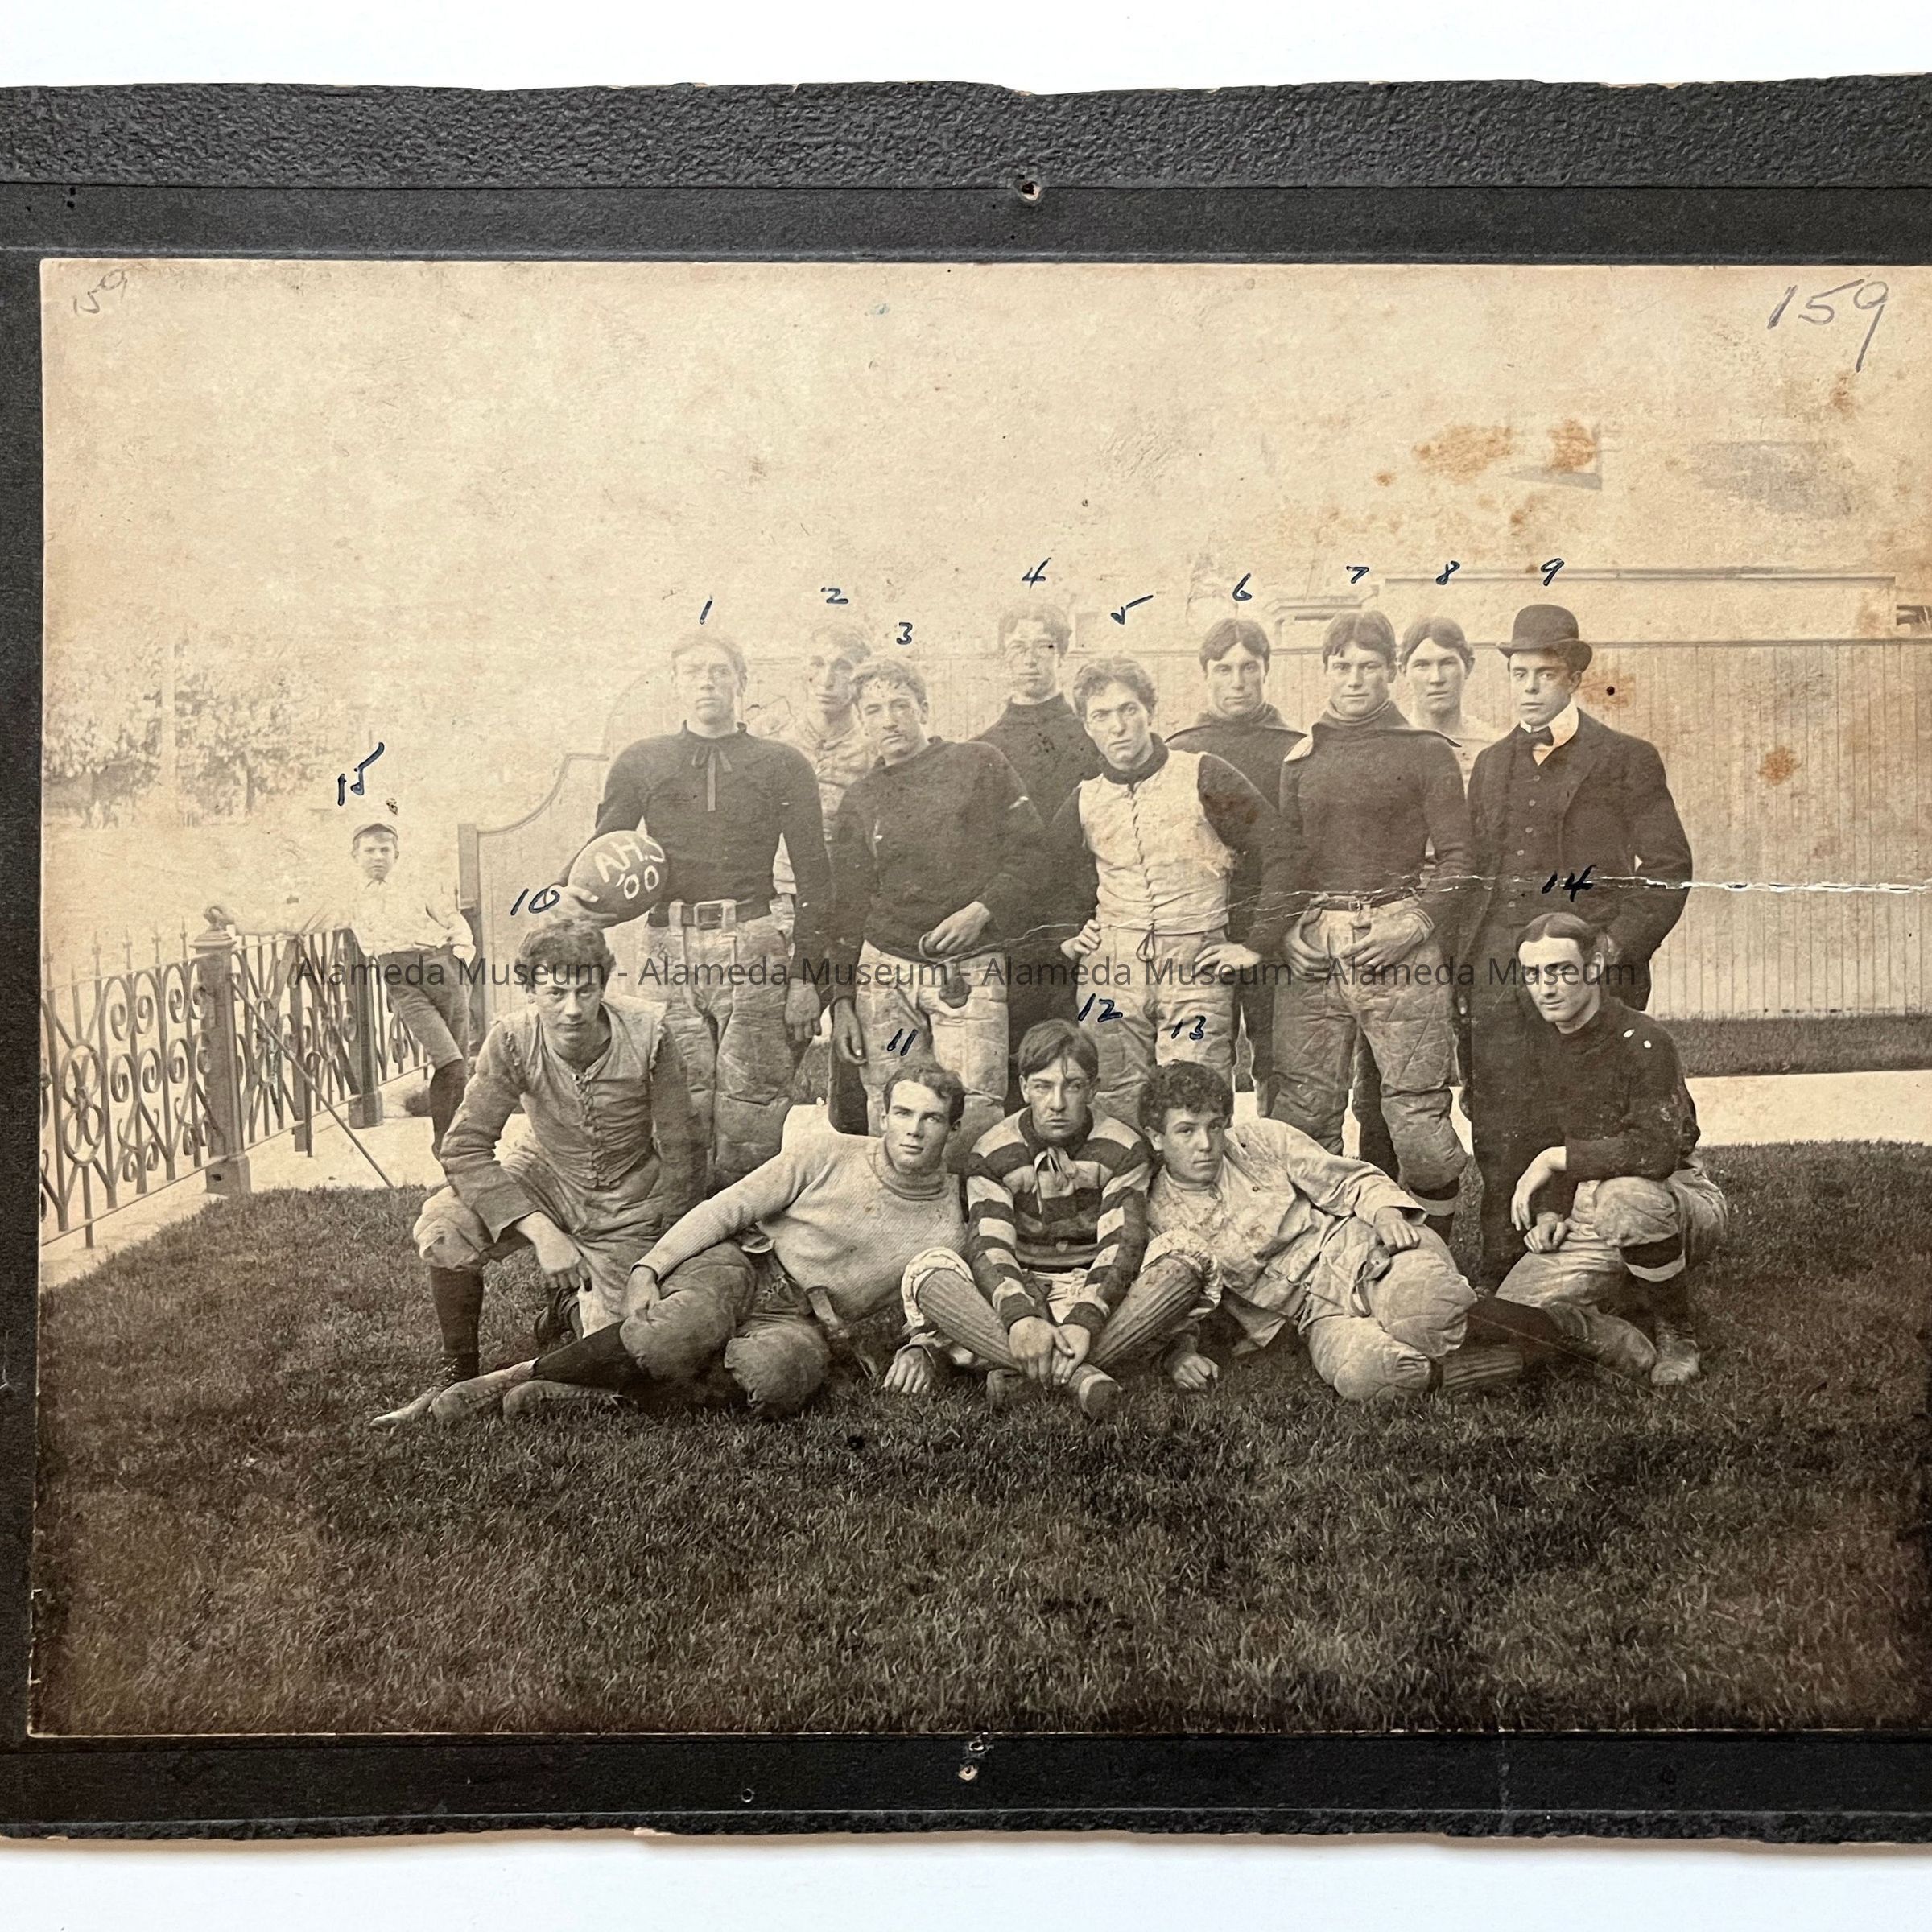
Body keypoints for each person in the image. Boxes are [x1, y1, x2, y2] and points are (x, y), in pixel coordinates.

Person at [423, 1059, 970, 1423]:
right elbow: (727, 1209)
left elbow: (937, 1304)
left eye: (932, 1119)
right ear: (883, 1115)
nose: (914, 1130)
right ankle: (515, 1378)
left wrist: (923, 1350)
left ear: (952, 1129)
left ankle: (601, 1395)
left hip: (804, 1318)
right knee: (679, 1330)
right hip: (743, 1264)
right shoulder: (829, 1153)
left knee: (773, 1379)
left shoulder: (950, 1220)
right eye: (903, 1113)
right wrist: (649, 1269)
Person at [372, 919, 703, 1425]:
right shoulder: (512, 1038)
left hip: (629, 1193)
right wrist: (542, 1232)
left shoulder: (649, 1031)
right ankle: (456, 1371)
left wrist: (664, 1251)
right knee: (444, 1226)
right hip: (544, 1173)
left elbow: (684, 1149)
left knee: (634, 1344)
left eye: (585, 990)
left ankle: (568, 1305)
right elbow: (463, 1148)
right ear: (530, 990)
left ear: (603, 985)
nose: (572, 1009)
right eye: (555, 992)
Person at [1463, 604, 1694, 1286]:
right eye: (1518, 674)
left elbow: (1667, 869)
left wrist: (1612, 951)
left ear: (1574, 677)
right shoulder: (1490, 765)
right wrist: (1469, 971)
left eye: (1545, 673)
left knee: (1593, 1119)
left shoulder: (1625, 759)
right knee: (1501, 1121)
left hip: (1589, 973)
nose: (1530, 687)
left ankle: (1620, 1260)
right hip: (1502, 975)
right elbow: (1478, 876)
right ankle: (1504, 1267)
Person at [587, 632, 827, 1187]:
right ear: (675, 683)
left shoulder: (782, 763)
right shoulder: (642, 760)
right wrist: (565, 895)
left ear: (741, 682)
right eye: (693, 671)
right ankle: (683, 1214)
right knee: (676, 1088)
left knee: (753, 1095)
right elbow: (604, 851)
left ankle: (745, 1220)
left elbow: (816, 875)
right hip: (667, 942)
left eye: (719, 671)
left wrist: (806, 976)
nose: (707, 682)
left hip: (753, 934)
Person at [1140, 1062, 1530, 1400]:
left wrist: (1385, 1213)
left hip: (1366, 1254)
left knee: (1430, 1311)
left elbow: (1349, 1180)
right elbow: (1179, 1298)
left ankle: (1555, 1329)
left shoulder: (1260, 1141)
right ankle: (1508, 1361)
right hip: (1314, 1315)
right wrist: (1180, 1355)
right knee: (1368, 1375)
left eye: (1214, 1126)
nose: (1206, 1144)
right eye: (1186, 1131)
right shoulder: (1158, 1215)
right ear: (1156, 1137)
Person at [894, 1020, 1213, 1418]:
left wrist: (1084, 1320)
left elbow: (1122, 1244)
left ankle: (1022, 1372)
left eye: (1073, 1086)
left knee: (1185, 1257)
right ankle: (1080, 1374)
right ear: (1024, 1088)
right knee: (930, 1270)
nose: (1057, 1103)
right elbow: (991, 1246)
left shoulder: (1123, 1146)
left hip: (1099, 1288)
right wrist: (1021, 1318)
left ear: (1093, 1089)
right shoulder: (993, 1149)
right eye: (1043, 1087)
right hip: (1020, 1285)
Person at [1270, 611, 1472, 1241]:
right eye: (1342, 666)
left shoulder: (1426, 752)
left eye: (1368, 666)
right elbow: (1287, 861)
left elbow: (1461, 858)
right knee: (1304, 1110)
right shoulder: (1300, 759)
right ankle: (1324, 1253)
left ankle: (1434, 1257)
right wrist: (1286, 932)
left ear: (1391, 671)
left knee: (1418, 1117)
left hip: (1398, 936)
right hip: (1315, 944)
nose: (1354, 679)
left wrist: (1413, 923)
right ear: (1325, 670)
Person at [1047, 654, 1293, 1125]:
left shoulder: (1203, 773)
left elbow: (1282, 850)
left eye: (1129, 709)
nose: (1118, 726)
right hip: (1111, 968)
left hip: (1195, 960)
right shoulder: (1086, 796)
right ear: (1087, 726)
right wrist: (1065, 932)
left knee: (1195, 1102)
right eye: (1102, 715)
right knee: (1114, 1102)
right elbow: (1042, 873)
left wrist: (1257, 943)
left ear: (1149, 711)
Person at [1494, 911, 1725, 1386]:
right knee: (1513, 1313)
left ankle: (1677, 1334)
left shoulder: (1644, 1040)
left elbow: (1656, 1152)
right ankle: (1614, 1333)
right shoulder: (1540, 1046)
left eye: (1561, 971)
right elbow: (1548, 1132)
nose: (1546, 988)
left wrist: (1555, 1160)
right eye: (1534, 974)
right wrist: (1550, 1212)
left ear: (1594, 967)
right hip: (1587, 1207)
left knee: (1625, 1198)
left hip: (1673, 1196)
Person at [825, 657, 1042, 1158]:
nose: (889, 720)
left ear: (924, 709)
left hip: (968, 968)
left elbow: (1033, 854)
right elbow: (847, 905)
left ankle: (972, 1204)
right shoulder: (861, 798)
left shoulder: (978, 764)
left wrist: (982, 910)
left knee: (975, 1105)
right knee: (893, 1102)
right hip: (885, 974)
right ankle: (895, 1205)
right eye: (874, 710)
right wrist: (842, 1001)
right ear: (861, 721)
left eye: (900, 705)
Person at [212, 819, 477, 1155]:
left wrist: (460, 957)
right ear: (355, 856)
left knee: (457, 1066)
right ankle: (447, 1149)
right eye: (370, 851)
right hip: (401, 981)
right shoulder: (349, 898)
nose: (378, 857)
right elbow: (297, 920)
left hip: (442, 971)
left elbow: (454, 921)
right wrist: (237, 919)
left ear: (396, 854)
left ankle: (458, 1149)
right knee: (449, 1059)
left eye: (385, 850)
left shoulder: (417, 885)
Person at [1352, 615, 1503, 1177]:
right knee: (1385, 1073)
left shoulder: (1495, 746)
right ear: (1403, 670)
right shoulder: (1384, 744)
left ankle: (1502, 1204)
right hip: (1403, 919)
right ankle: (1382, 1199)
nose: (1435, 677)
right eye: (1422, 664)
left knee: (1486, 1063)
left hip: (1475, 917)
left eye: (1447, 663)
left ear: (1468, 667)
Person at [1167, 617, 1306, 1112]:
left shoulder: (1295, 748)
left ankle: (1276, 1143)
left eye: (1249, 668)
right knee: (1199, 1053)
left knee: (1280, 1056)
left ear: (1266, 669)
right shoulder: (1182, 750)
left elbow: (1301, 846)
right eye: (1224, 670)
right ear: (1205, 674)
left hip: (1274, 925)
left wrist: (1283, 927)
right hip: (1202, 926)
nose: (1238, 681)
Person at [974, 601, 1103, 1108]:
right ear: (1002, 658)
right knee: (1019, 1063)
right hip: (1014, 931)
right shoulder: (983, 750)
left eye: (1043, 646)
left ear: (1062, 654)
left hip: (1084, 925)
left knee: (1082, 1058)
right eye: (1017, 647)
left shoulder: (1093, 739)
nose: (1030, 658)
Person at [767, 621, 876, 1133]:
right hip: (784, 906)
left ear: (860, 677)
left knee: (857, 1051)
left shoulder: (876, 748)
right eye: (818, 664)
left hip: (853, 914)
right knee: (773, 1050)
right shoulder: (774, 744)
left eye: (842, 667)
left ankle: (851, 1156)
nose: (828, 678)